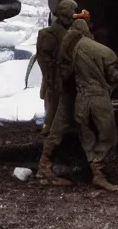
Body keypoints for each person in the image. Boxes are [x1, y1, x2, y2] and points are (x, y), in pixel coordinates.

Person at [71, 18, 118, 191]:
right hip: (98, 98)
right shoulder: (102, 51)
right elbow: (115, 76)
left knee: (87, 135)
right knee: (108, 136)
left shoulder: (70, 50)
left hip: (80, 99)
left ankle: (94, 170)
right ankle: (99, 173)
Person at [34, 15, 89, 186]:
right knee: (60, 130)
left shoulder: (64, 40)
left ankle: (47, 167)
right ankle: (45, 169)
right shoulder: (74, 44)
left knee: (61, 129)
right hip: (70, 92)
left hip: (69, 92)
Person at [33, 0, 77, 135]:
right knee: (53, 108)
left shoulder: (67, 32)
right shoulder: (50, 34)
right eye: (72, 13)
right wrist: (54, 79)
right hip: (55, 80)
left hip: (61, 79)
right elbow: (45, 61)